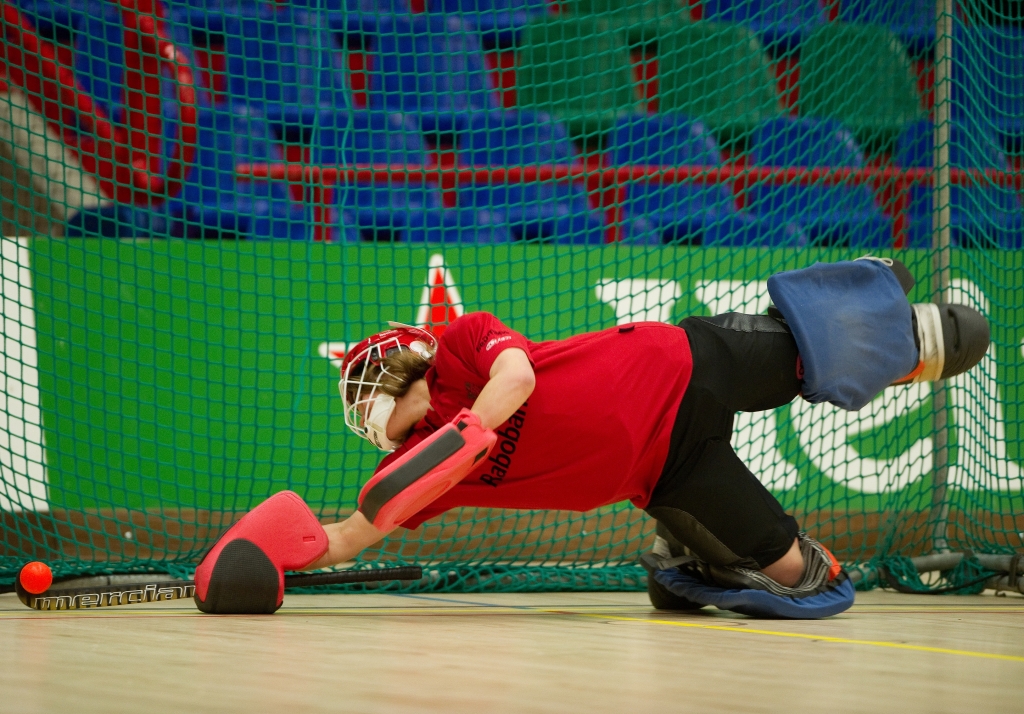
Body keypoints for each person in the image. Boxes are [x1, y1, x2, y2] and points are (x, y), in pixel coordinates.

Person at [292, 257, 988, 618]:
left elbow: (517, 376)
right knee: (801, 577)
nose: (360, 405)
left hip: (682, 365)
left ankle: (899, 320)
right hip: (668, 470)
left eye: (362, 385)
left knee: (819, 353)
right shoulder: (423, 468)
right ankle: (691, 552)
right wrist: (270, 560)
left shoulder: (459, 347)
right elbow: (350, 535)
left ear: (398, 368)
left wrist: (468, 431)